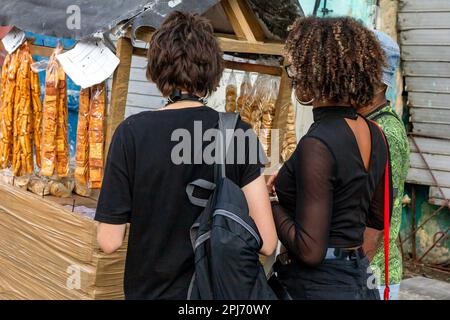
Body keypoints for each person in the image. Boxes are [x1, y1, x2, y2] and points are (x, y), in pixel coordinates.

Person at [94, 11, 277, 300]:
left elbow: (109, 241)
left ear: (156, 69)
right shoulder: (237, 133)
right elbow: (267, 243)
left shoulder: (131, 134)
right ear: (213, 70)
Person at [269, 16, 393, 300]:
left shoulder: (318, 143)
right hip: (358, 282)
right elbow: (376, 221)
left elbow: (310, 250)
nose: (295, 75)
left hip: (316, 288)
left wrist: (270, 201)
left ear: (317, 72)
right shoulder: (375, 134)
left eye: (298, 68)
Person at [360, 30, 410, 300]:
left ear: (380, 83)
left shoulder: (385, 132)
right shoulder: (368, 123)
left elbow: (378, 220)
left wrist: (358, 270)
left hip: (374, 272)